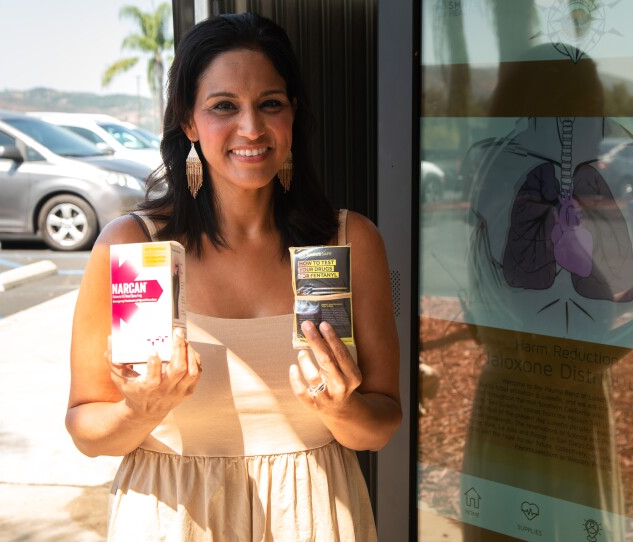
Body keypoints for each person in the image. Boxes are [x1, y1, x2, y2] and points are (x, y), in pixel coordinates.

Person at [65, 12, 401, 541]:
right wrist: (138, 411)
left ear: (293, 115)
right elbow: (87, 430)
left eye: (271, 103)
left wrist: (343, 409)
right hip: (172, 518)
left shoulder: (349, 240)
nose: (251, 128)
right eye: (225, 106)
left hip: (314, 516)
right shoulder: (133, 247)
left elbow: (380, 426)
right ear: (189, 123)